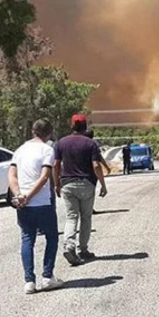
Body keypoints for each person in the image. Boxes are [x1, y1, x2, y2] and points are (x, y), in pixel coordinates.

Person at [8, 119, 63, 294]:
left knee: (27, 239)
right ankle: (47, 277)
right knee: (52, 237)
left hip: (23, 203)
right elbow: (45, 177)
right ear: (49, 133)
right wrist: (30, 196)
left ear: (32, 131)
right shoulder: (47, 150)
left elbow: (11, 175)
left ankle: (29, 282)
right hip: (42, 202)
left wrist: (19, 195)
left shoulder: (20, 150)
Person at [54, 114, 108, 266]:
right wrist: (103, 184)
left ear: (71, 126)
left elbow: (56, 165)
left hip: (67, 184)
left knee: (71, 217)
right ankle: (83, 249)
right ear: (85, 127)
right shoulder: (90, 143)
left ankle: (69, 246)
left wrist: (57, 184)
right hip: (87, 184)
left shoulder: (61, 143)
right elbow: (96, 165)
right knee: (86, 217)